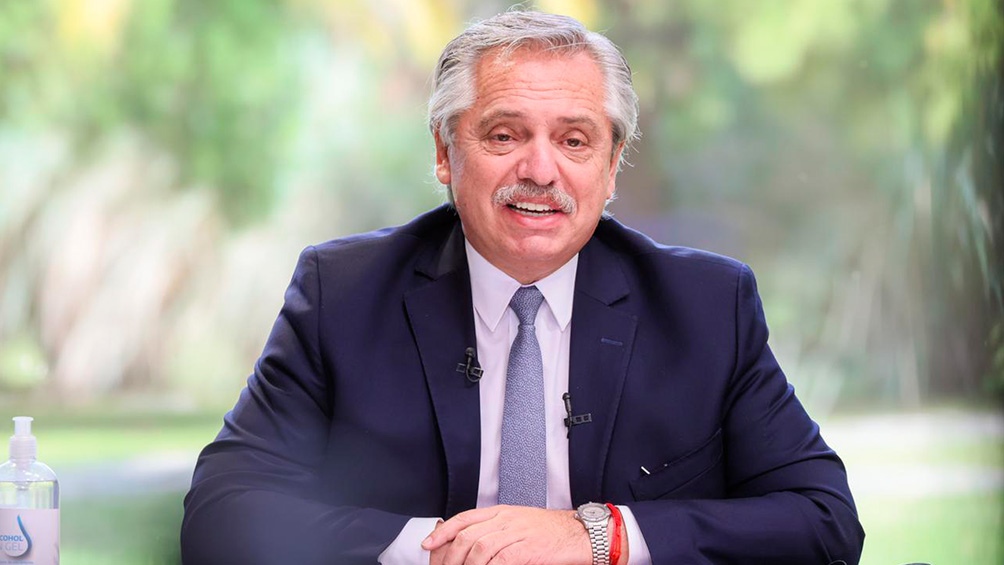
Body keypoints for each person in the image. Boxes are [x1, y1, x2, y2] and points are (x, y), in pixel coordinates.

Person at [181, 10, 864, 565]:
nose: (540, 170)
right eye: (505, 135)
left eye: (575, 141)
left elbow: (823, 519)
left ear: (612, 167)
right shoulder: (343, 295)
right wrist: (444, 550)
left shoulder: (707, 306)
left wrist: (600, 537)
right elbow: (223, 514)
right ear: (445, 152)